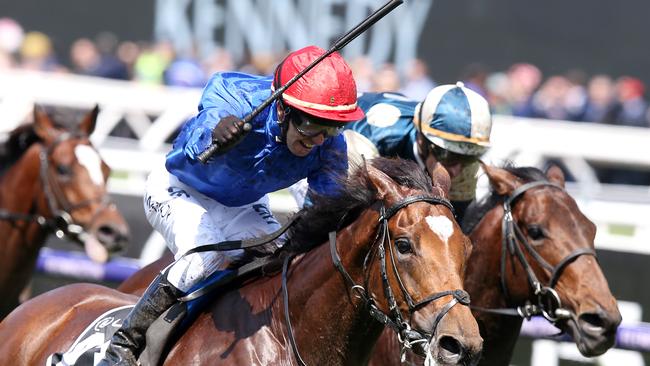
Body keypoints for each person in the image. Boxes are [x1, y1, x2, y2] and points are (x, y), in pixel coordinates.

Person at [99, 45, 364, 365]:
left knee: (280, 265)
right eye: (311, 126)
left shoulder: (327, 143)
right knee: (205, 257)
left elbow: (328, 205)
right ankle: (125, 345)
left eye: (331, 127)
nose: (319, 140)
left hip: (242, 204)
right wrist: (215, 134)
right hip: (179, 190)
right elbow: (193, 141)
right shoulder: (239, 101)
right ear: (282, 110)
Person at [343, 82, 492, 222]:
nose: (456, 169)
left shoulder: (465, 166)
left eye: (469, 157)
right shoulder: (373, 139)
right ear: (421, 139)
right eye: (448, 155)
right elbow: (349, 220)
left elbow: (457, 225)